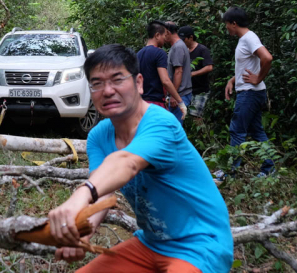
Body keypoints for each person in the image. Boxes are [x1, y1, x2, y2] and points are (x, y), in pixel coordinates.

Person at [48, 44, 234, 273]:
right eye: (97, 83)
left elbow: (126, 162)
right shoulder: (98, 136)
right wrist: (84, 232)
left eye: (117, 79)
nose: (107, 91)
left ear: (138, 83)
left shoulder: (162, 123)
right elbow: (103, 190)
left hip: (201, 246)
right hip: (150, 244)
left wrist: (81, 193)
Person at [221, 7, 274, 178]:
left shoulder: (249, 38)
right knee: (256, 130)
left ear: (234, 24)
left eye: (227, 24)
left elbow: (267, 58)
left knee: (237, 130)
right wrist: (232, 79)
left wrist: (258, 78)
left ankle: (231, 171)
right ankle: (269, 169)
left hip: (250, 93)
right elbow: (247, 66)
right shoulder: (246, 39)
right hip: (252, 92)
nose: (226, 27)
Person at [136, 20, 184, 115]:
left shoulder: (138, 54)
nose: (165, 39)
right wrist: (180, 101)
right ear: (157, 35)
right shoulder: (159, 53)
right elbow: (165, 81)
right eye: (164, 36)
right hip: (155, 104)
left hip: (140, 104)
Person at [176, 26, 213, 120]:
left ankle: (202, 134)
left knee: (196, 117)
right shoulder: (184, 51)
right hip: (187, 90)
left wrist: (193, 74)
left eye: (184, 39)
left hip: (200, 90)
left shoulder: (202, 50)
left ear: (191, 37)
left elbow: (209, 67)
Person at [164, 22, 193, 124]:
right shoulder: (176, 46)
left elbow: (178, 71)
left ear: (167, 32)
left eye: (163, 33)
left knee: (174, 130)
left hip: (180, 94)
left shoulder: (178, 47)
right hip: (179, 94)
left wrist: (174, 95)